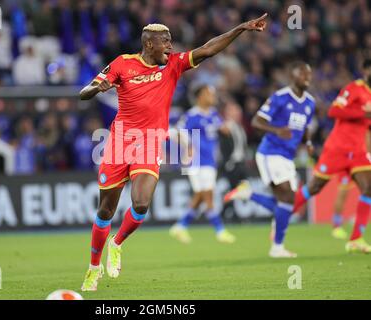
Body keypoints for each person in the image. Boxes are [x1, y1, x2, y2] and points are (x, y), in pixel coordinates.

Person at [79, 14, 268, 291]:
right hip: (120, 143)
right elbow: (83, 92)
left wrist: (240, 28)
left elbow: (208, 49)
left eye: (170, 40)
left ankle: (116, 243)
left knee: (141, 204)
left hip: (151, 142)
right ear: (149, 44)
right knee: (105, 210)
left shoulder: (174, 65)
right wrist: (98, 88)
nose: (170, 45)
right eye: (165, 41)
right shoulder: (123, 63)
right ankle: (93, 268)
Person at [224, 61, 315, 258]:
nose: (307, 77)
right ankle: (277, 247)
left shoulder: (310, 102)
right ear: (293, 76)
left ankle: (249, 195)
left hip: (288, 157)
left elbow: (305, 127)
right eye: (303, 74)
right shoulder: (280, 98)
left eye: (309, 74)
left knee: (287, 204)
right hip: (270, 153)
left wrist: (307, 143)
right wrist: (276, 130)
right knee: (288, 199)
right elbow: (257, 121)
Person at [292, 59, 371, 253]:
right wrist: (363, 111)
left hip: (358, 150)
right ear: (366, 70)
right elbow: (334, 110)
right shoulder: (354, 88)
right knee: (314, 187)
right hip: (337, 148)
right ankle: (282, 217)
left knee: (368, 189)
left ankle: (356, 238)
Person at [169, 85, 236, 244]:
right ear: (200, 96)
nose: (213, 97)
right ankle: (220, 230)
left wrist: (226, 127)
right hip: (195, 161)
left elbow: (223, 129)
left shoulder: (214, 115)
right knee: (207, 195)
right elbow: (176, 132)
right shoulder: (192, 116)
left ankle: (180, 226)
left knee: (200, 195)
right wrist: (188, 145)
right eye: (209, 94)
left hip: (210, 160)